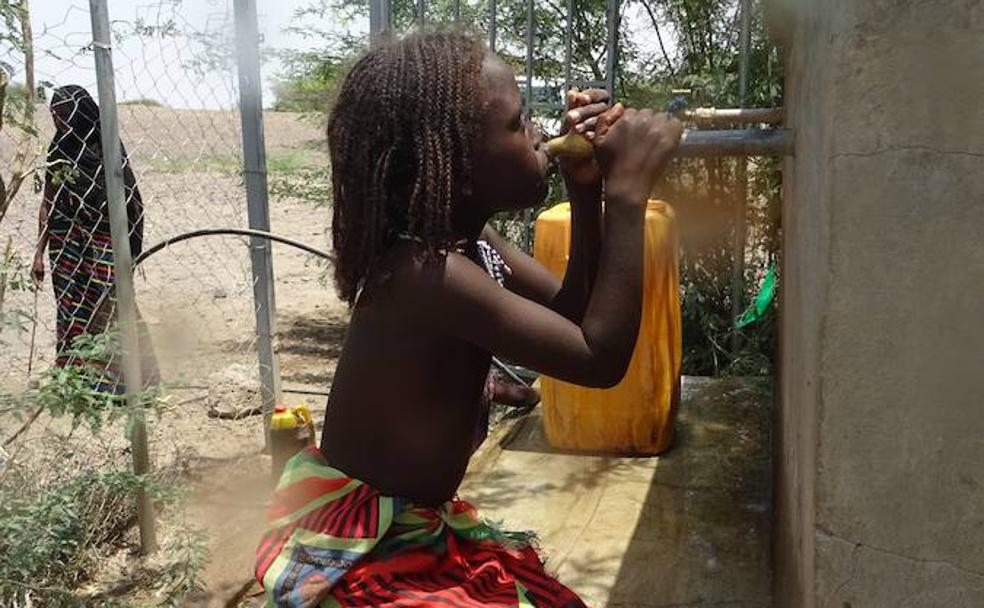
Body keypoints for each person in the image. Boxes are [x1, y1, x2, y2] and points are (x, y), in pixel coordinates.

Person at [255, 31, 681, 607]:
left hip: (418, 523)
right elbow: (597, 358)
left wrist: (587, 194)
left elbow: (571, 315)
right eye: (518, 122)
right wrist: (628, 194)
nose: (539, 133)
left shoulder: (467, 243)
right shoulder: (425, 273)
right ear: (454, 159)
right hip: (374, 547)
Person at [32, 85, 158, 393]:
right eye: (53, 115)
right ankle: (75, 380)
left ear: (81, 114)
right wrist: (38, 252)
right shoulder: (58, 148)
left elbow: (132, 200)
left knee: (110, 303)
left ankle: (127, 380)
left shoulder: (106, 147)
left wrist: (131, 250)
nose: (57, 122)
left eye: (63, 115)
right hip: (65, 243)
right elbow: (48, 199)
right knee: (69, 307)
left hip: (103, 239)